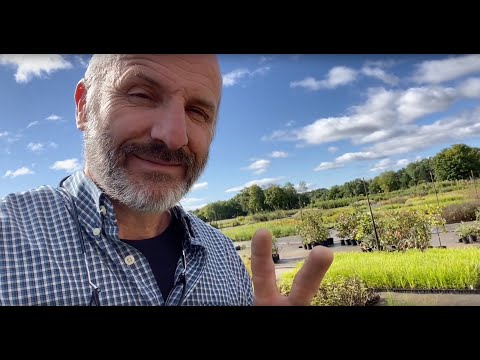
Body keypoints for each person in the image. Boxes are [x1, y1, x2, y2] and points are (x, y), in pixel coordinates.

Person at [0, 55, 333, 306]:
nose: (174, 136)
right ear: (84, 107)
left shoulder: (223, 256)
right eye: (142, 95)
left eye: (198, 112)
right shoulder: (7, 241)